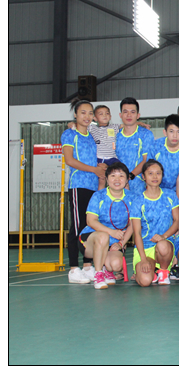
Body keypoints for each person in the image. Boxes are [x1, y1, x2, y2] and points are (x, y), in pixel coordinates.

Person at [61, 99, 105, 284]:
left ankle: (87, 266)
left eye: (90, 113)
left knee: (90, 226)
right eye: (83, 112)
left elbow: (114, 127)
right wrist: (94, 169)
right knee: (77, 227)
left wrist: (99, 169)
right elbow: (70, 160)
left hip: (93, 187)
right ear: (75, 115)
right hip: (79, 185)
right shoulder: (69, 134)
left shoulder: (92, 135)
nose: (87, 116)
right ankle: (73, 269)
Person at [78, 162, 139, 289]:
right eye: (113, 176)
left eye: (121, 176)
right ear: (106, 179)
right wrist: (111, 232)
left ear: (127, 179)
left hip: (115, 241)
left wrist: (121, 243)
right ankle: (98, 274)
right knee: (103, 236)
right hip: (90, 239)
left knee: (116, 265)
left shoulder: (133, 198)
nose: (117, 179)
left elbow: (133, 225)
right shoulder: (98, 196)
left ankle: (107, 269)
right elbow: (91, 221)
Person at [67, 105, 151, 190]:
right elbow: (79, 125)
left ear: (110, 117)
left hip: (112, 158)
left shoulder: (114, 127)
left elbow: (128, 124)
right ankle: (100, 195)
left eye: (107, 113)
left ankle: (126, 192)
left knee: (123, 172)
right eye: (101, 114)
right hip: (99, 158)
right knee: (102, 179)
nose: (104, 116)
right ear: (95, 118)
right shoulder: (91, 127)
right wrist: (72, 124)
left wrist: (140, 123)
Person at [130, 159, 178, 286]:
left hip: (164, 245)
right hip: (145, 247)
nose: (155, 177)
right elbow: (137, 233)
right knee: (145, 281)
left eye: (158, 173)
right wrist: (143, 259)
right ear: (143, 176)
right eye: (150, 173)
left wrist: (164, 236)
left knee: (163, 246)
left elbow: (177, 221)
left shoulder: (170, 195)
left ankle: (163, 271)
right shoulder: (138, 201)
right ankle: (150, 271)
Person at [149, 114, 179, 200]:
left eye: (178, 132)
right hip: (160, 191)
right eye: (171, 131)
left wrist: (176, 202)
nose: (175, 135)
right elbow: (150, 172)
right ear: (165, 132)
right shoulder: (155, 146)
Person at [115, 97, 155, 193]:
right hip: (117, 184)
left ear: (138, 115)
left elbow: (146, 160)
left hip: (140, 186)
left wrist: (129, 176)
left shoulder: (146, 134)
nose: (129, 115)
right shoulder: (115, 135)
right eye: (125, 112)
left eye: (132, 112)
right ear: (120, 115)